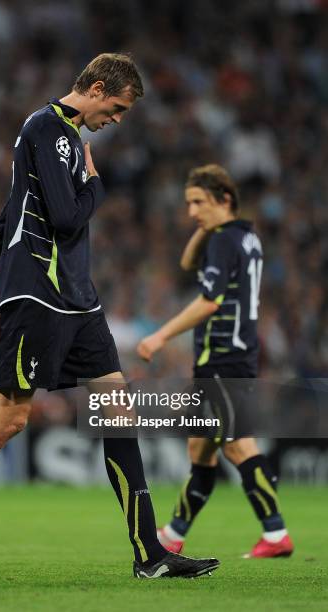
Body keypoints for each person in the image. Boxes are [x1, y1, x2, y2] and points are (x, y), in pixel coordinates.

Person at [0, 54, 219, 579]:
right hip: (38, 296)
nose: (115, 120)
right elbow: (67, 218)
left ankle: (150, 556)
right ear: (94, 88)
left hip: (78, 298)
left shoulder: (63, 136)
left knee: (119, 410)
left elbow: (9, 215)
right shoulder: (47, 129)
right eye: (115, 108)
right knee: (8, 421)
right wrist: (96, 186)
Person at [137, 164, 294, 559]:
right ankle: (173, 533)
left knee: (237, 446)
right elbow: (188, 264)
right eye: (189, 203)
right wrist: (208, 226)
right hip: (229, 358)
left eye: (198, 203)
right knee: (200, 449)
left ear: (224, 200)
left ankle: (275, 533)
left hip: (224, 357)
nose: (191, 212)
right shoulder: (245, 236)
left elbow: (209, 301)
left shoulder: (225, 240)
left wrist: (160, 335)